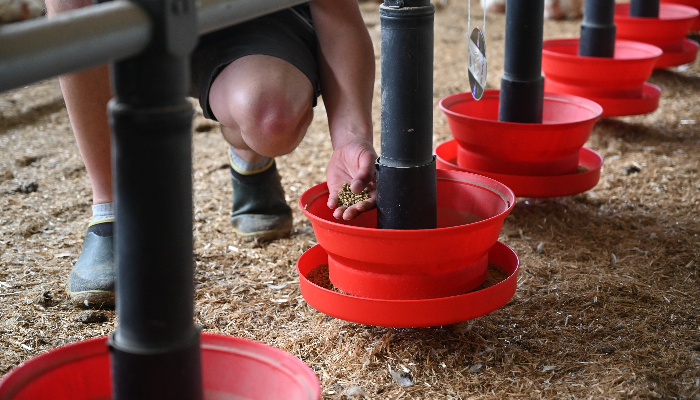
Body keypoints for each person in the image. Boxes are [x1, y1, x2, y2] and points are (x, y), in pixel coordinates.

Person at [45, 0, 378, 307]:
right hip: (122, 15)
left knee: (271, 120)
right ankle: (112, 208)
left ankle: (250, 155)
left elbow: (339, 20)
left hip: (245, 14)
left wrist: (351, 139)